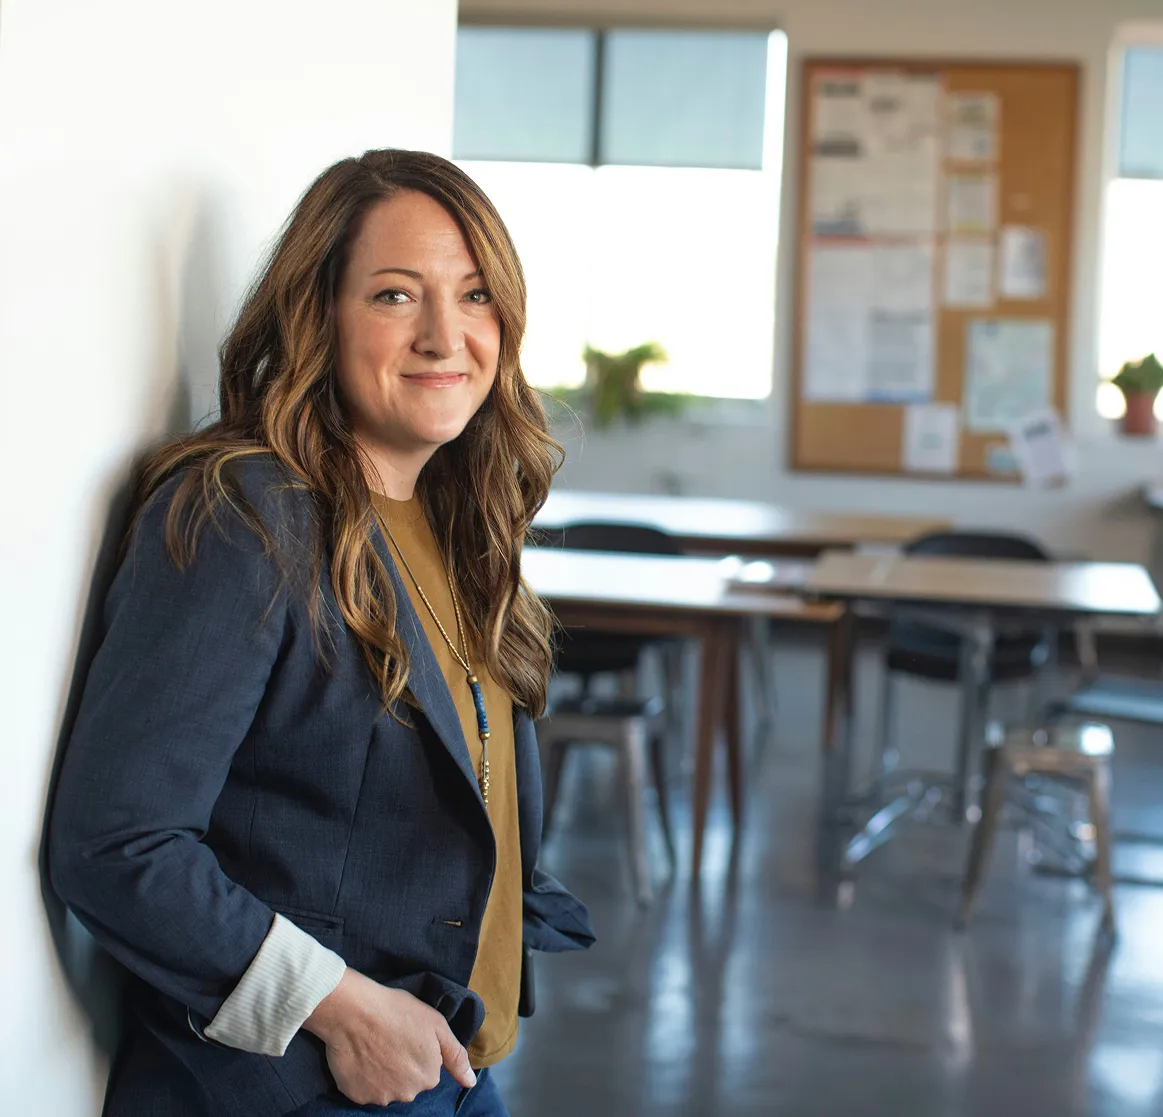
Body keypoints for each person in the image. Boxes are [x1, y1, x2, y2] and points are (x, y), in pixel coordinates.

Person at [49, 148, 594, 1117]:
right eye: (395, 295)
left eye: (474, 295)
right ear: (320, 314)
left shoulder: (456, 518)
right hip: (308, 1082)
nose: (444, 334)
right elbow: (118, 841)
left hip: (448, 1064)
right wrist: (339, 1008)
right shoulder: (246, 514)